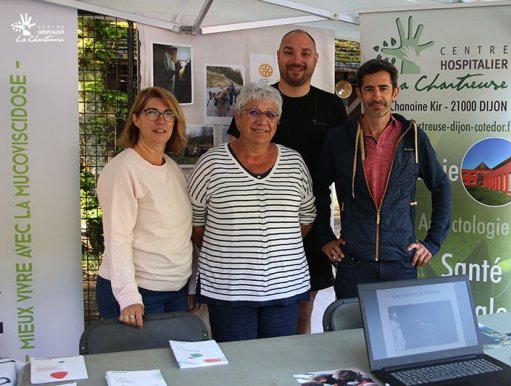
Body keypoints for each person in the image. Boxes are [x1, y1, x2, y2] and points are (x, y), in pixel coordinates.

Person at [227, 29, 347, 334]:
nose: (297, 60)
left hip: (312, 225)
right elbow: (232, 158)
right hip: (252, 232)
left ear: (316, 59)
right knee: (250, 317)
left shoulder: (332, 107)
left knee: (302, 313)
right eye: (289, 52)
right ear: (278, 56)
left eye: (305, 53)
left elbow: (345, 171)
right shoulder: (258, 104)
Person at [188, 82, 316, 342]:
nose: (262, 121)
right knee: (237, 368)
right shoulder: (211, 163)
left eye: (270, 115)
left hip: (285, 286)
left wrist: (277, 247)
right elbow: (195, 223)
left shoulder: (294, 162)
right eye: (253, 112)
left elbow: (306, 217)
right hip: (228, 289)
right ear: (237, 116)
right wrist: (232, 252)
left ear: (277, 122)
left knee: (277, 370)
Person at [315, 59, 451, 299]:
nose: (376, 96)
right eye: (369, 89)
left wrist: (433, 242)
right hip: (354, 262)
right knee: (350, 334)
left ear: (395, 92)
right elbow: (318, 187)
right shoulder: (339, 139)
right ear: (359, 93)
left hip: (401, 261)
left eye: (383, 88)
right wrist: (325, 236)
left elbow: (440, 186)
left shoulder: (414, 138)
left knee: (399, 335)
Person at [96, 87, 193, 328]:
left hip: (175, 292)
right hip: (140, 296)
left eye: (169, 114)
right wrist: (128, 297)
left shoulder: (171, 167)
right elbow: (117, 239)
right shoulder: (123, 170)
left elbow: (180, 232)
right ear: (136, 119)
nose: (161, 120)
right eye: (152, 112)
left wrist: (189, 284)